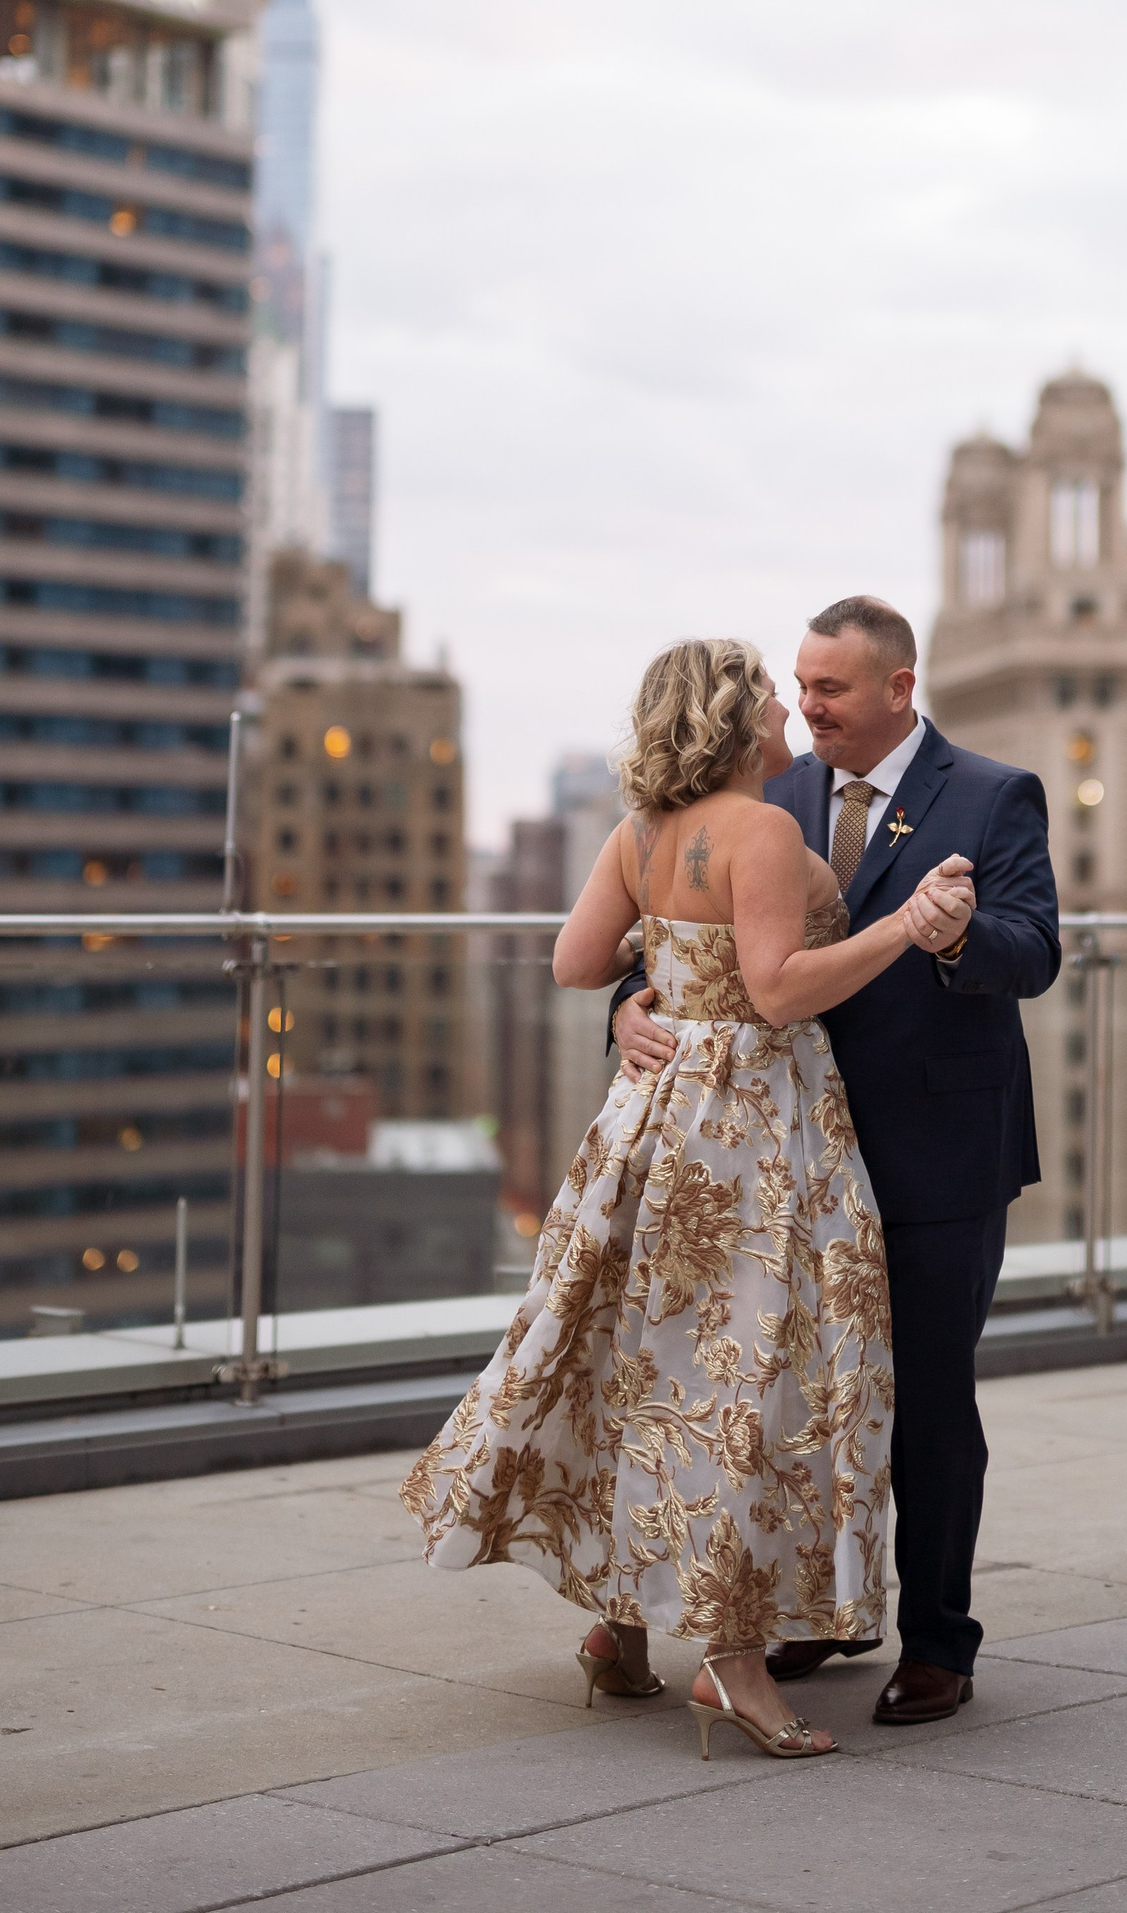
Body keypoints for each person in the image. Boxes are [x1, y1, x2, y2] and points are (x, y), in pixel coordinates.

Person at [400, 634, 975, 1763]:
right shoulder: (760, 832)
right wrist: (904, 928)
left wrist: (651, 980)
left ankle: (618, 1636)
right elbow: (777, 991)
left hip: (650, 1120)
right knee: (746, 1382)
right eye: (769, 692)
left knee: (641, 1364)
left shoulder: (641, 831)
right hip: (752, 1132)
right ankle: (734, 1660)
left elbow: (575, 963)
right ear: (735, 717)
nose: (786, 708)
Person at [613, 594, 1060, 1725]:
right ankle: (820, 1614)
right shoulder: (769, 791)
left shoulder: (995, 793)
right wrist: (629, 1003)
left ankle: (940, 1644)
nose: (806, 707)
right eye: (800, 686)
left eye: (830, 688)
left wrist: (956, 936)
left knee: (928, 1403)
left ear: (899, 689)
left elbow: (1034, 950)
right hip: (786, 1163)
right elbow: (685, 931)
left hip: (934, 1155)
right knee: (797, 1401)